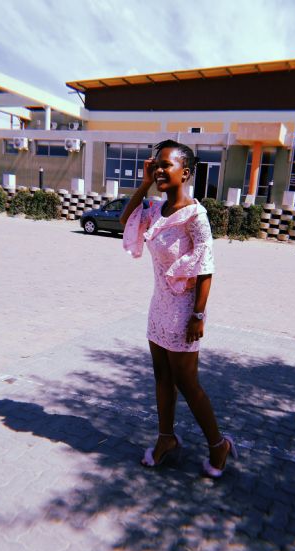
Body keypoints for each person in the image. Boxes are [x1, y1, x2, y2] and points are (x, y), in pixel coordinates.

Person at [120, 139, 237, 478]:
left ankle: (218, 445)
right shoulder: (155, 210)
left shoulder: (195, 216)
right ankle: (166, 438)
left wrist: (198, 315)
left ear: (185, 173)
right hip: (159, 306)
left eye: (165, 164)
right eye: (155, 164)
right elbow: (126, 220)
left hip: (185, 311)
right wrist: (143, 184)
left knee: (187, 382)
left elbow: (206, 267)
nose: (159, 169)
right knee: (161, 377)